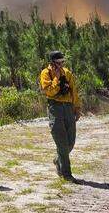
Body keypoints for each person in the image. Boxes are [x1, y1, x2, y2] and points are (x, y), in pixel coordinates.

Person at [39, 50, 81, 182]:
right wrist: (56, 78)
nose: (61, 64)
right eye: (59, 62)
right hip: (55, 107)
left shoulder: (67, 73)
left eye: (63, 62)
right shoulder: (46, 73)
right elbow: (49, 92)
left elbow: (74, 91)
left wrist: (77, 107)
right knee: (62, 142)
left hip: (68, 108)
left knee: (70, 142)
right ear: (52, 63)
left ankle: (58, 160)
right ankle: (66, 174)